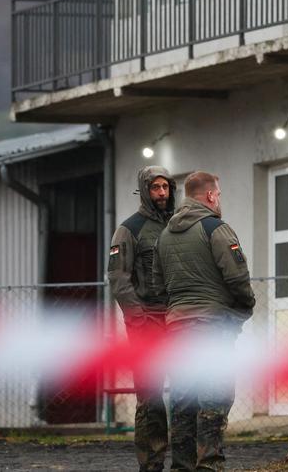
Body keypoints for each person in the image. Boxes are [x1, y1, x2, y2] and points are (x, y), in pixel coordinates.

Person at [152, 171, 255, 472]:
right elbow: (238, 278)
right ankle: (209, 465)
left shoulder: (164, 236)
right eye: (218, 194)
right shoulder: (216, 229)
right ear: (210, 195)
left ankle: (182, 467)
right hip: (212, 327)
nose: (219, 199)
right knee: (215, 395)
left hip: (177, 329)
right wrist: (241, 311)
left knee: (183, 401)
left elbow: (159, 287)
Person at [109, 166, 177, 472]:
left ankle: (186, 462)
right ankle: (151, 464)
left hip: (178, 320)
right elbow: (118, 279)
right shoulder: (129, 229)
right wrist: (138, 320)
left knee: (188, 392)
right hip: (146, 322)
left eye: (166, 187)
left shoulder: (178, 226)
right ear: (144, 190)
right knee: (149, 398)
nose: (162, 193)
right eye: (156, 188)